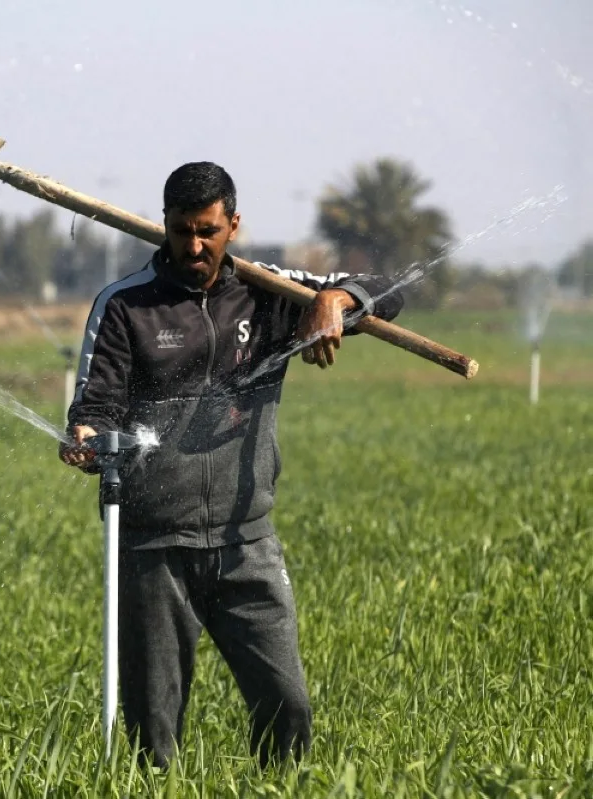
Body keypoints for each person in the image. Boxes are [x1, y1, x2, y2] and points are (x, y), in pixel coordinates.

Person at [59, 161, 404, 770]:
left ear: (233, 225)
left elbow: (391, 288)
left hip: (248, 541)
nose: (194, 246)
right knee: (153, 735)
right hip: (153, 548)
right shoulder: (125, 308)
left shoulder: (273, 295)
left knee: (287, 705)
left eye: (208, 231)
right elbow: (95, 407)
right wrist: (87, 440)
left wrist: (336, 299)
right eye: (182, 230)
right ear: (162, 224)